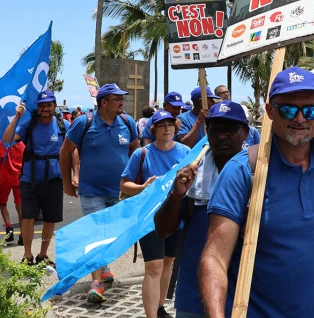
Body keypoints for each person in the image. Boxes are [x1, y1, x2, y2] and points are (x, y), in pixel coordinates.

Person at [198, 67, 314, 318]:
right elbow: (215, 258)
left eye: (310, 110)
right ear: (270, 111)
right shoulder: (244, 172)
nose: (300, 119)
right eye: (288, 109)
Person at [154, 101, 249, 318]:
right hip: (195, 298)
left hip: (247, 296)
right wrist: (176, 195)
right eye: (215, 130)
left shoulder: (260, 177)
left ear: (245, 132)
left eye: (230, 129)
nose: (222, 136)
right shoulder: (192, 178)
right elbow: (162, 230)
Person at [60, 83, 139, 303]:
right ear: (104, 102)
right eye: (117, 99)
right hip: (91, 191)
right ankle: (96, 283)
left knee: (110, 236)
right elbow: (65, 152)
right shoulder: (83, 122)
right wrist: (67, 182)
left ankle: (104, 268)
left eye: (122, 99)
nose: (122, 102)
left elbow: (136, 151)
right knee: (96, 236)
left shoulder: (127, 122)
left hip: (119, 192)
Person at [121, 111, 190, 318]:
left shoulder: (186, 152)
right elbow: (124, 184)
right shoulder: (141, 154)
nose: (167, 128)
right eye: (161, 125)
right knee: (153, 266)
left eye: (170, 124)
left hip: (176, 216)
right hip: (149, 218)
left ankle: (160, 308)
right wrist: (144, 187)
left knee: (168, 263)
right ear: (153, 129)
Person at [2, 92, 71, 267]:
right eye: (42, 105)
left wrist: (73, 176)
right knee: (27, 218)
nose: (45, 108)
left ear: (54, 106)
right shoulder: (28, 125)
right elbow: (6, 140)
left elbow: (74, 149)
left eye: (48, 105)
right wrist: (16, 118)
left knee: (50, 219)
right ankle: (27, 256)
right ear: (38, 107)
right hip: (29, 179)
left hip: (54, 179)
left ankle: (43, 255)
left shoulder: (64, 125)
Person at [0, 140, 24, 245]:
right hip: (19, 177)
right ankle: (23, 234)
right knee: (20, 207)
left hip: (4, 177)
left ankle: (9, 228)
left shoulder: (3, 143)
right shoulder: (22, 144)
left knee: (2, 204)